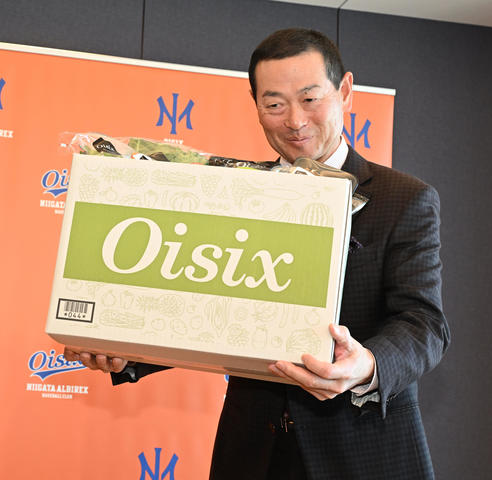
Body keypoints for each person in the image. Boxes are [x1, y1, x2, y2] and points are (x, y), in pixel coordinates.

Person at [65, 28, 450, 480]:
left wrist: (367, 365)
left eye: (310, 99)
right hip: (250, 453)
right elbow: (202, 307)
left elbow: (424, 323)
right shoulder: (233, 191)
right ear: (255, 105)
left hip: (363, 453)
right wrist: (125, 348)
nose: (295, 121)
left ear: (345, 91)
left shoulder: (404, 198)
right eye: (274, 105)